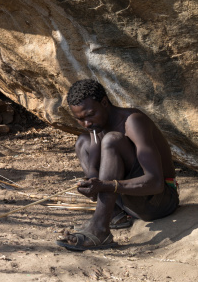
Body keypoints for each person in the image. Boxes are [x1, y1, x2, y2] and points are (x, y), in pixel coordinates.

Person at [56, 79, 179, 251]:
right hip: (129, 201)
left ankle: (100, 229)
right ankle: (114, 214)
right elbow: (94, 169)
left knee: (112, 140)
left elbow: (156, 183)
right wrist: (91, 183)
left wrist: (104, 186)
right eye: (80, 119)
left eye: (90, 114)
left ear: (105, 103)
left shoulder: (132, 122)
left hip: (160, 202)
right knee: (82, 141)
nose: (87, 123)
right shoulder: (95, 129)